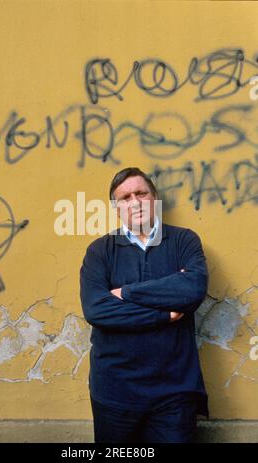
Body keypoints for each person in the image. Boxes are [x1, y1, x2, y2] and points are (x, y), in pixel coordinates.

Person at [80, 167, 209, 443]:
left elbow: (193, 289)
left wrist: (124, 293)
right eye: (125, 197)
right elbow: (96, 309)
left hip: (174, 391)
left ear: (155, 198)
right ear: (117, 209)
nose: (135, 201)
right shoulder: (100, 251)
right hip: (115, 391)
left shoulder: (184, 241)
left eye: (141, 193)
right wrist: (163, 314)